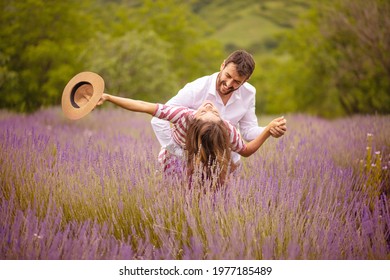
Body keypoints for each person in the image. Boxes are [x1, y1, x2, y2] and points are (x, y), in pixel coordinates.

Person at [97, 93, 286, 187]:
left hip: (210, 159)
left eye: (210, 111)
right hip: (177, 157)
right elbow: (143, 106)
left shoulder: (227, 129)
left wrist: (268, 131)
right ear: (193, 120)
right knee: (176, 190)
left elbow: (245, 151)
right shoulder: (182, 115)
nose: (210, 106)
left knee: (211, 189)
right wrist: (108, 97)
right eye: (205, 111)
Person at [151, 50, 287, 169]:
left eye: (237, 82)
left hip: (222, 163)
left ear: (246, 80)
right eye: (227, 76)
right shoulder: (196, 88)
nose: (229, 84)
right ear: (222, 66)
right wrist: (179, 152)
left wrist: (269, 129)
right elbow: (158, 118)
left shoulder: (249, 93)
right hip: (183, 159)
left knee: (217, 198)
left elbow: (248, 131)